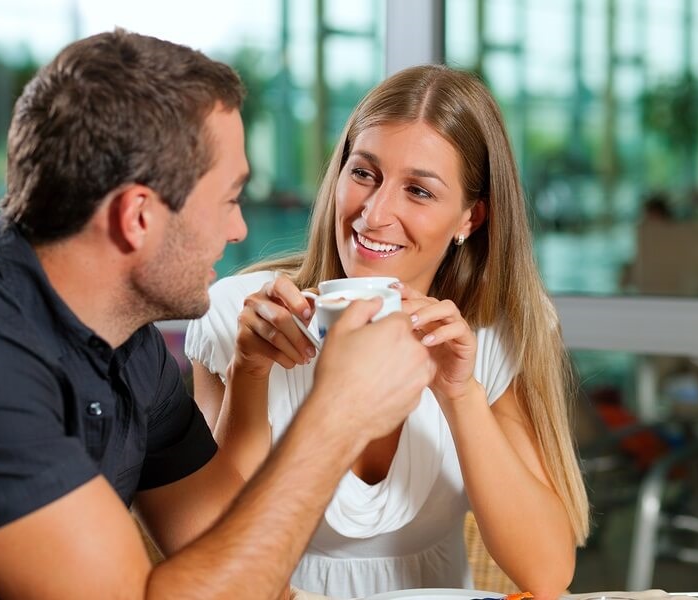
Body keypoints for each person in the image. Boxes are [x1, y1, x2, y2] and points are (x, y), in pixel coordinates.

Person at [0, 30, 436, 599]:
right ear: (137, 217)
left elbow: (235, 569)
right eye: (230, 199)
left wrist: (258, 376)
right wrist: (337, 416)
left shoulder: (129, 349)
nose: (238, 230)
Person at [186, 65, 590, 599]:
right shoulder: (239, 315)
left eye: (418, 191)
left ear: (471, 217)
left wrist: (457, 393)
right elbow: (212, 556)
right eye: (364, 174)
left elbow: (546, 572)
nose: (374, 215)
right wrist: (251, 373)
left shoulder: (495, 331)